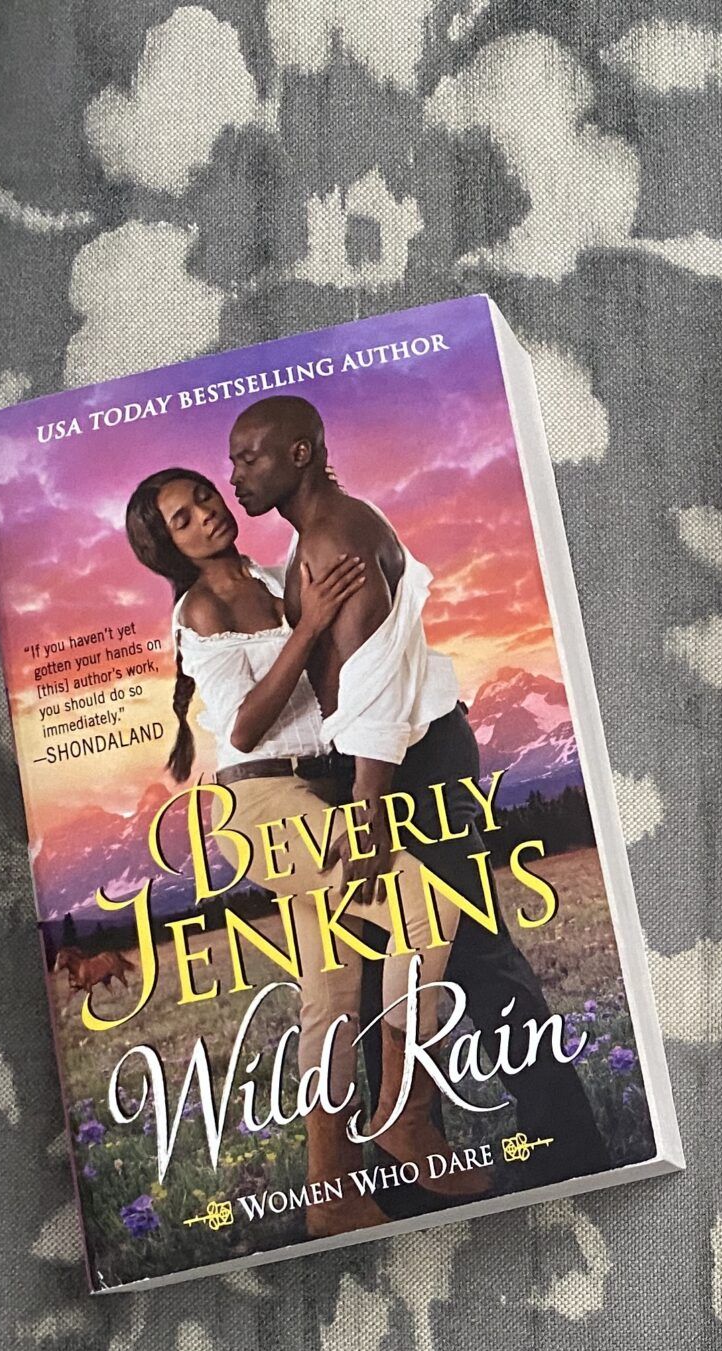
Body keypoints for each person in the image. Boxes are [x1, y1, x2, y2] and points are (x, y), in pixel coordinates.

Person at [225, 395, 611, 1188]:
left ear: (300, 453)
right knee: (376, 955)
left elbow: (373, 700)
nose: (236, 477)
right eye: (232, 461)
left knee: (471, 947)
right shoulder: (312, 542)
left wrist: (367, 820)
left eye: (249, 457)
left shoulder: (339, 539)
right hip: (376, 765)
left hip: (411, 762)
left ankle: (569, 1146)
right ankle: (404, 1150)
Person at [123, 467, 487, 1236]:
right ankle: (405, 1116)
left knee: (330, 988)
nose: (206, 517)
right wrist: (311, 624)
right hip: (259, 802)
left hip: (312, 791)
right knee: (429, 905)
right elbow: (247, 726)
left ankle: (331, 1192)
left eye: (204, 499)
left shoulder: (269, 573)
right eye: (182, 519)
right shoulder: (200, 607)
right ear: (167, 548)